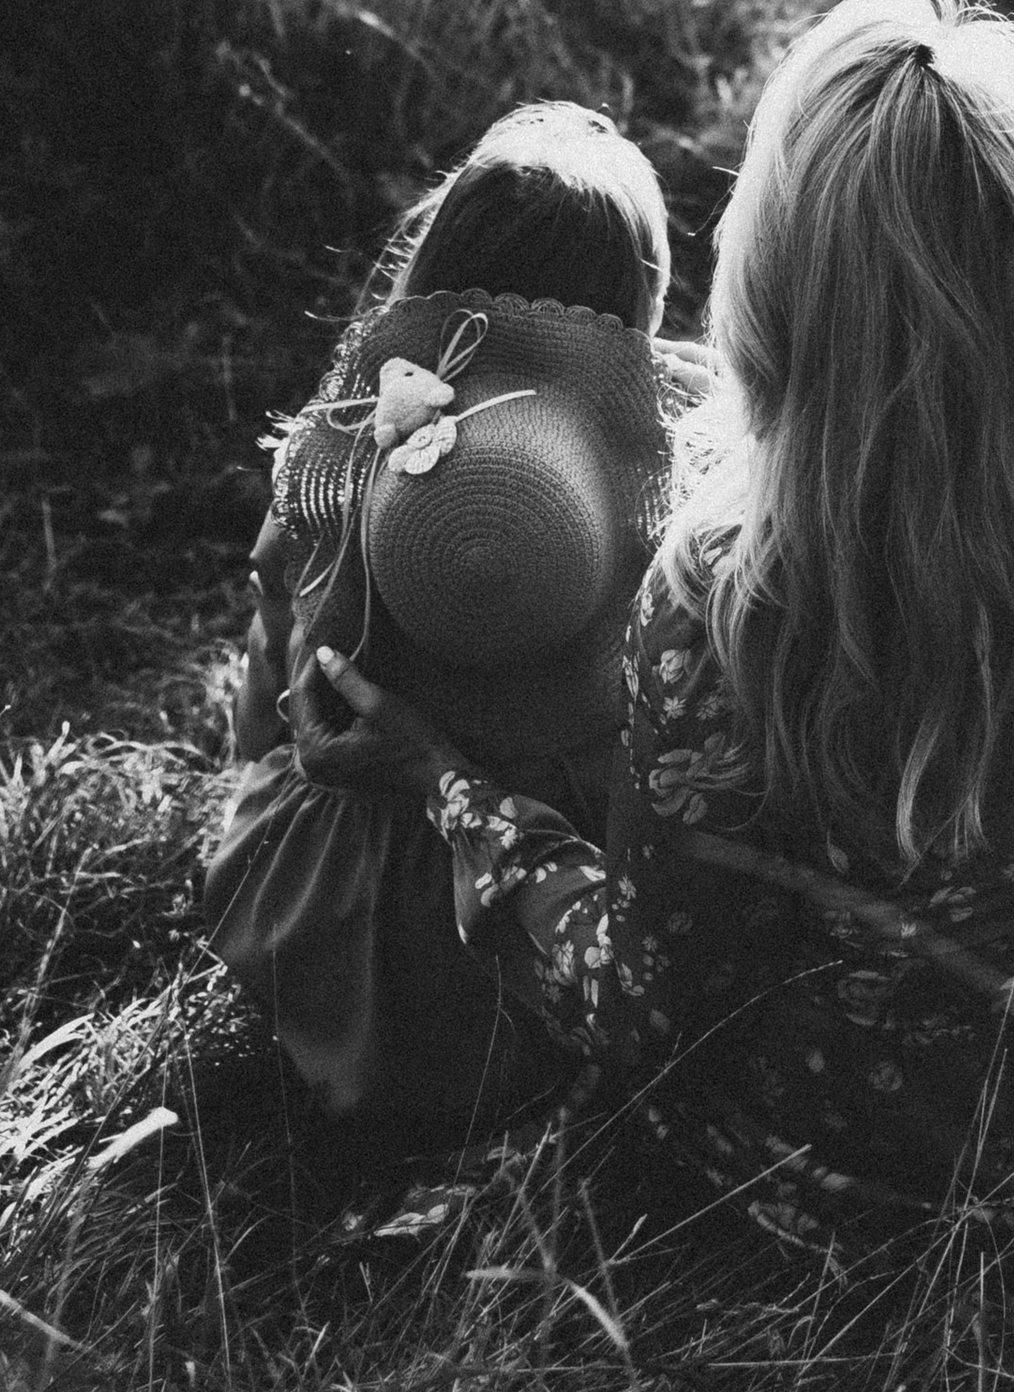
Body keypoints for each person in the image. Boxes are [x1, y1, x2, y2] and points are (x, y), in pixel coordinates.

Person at [298, 0, 1014, 1230]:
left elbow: (634, 1007)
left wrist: (447, 788)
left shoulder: (728, 607)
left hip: (859, 1172)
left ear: (773, 279)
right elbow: (996, 420)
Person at [202, 101, 708, 1140]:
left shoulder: (344, 478)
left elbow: (263, 704)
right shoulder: (640, 533)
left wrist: (269, 787)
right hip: (526, 950)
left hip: (321, 925)